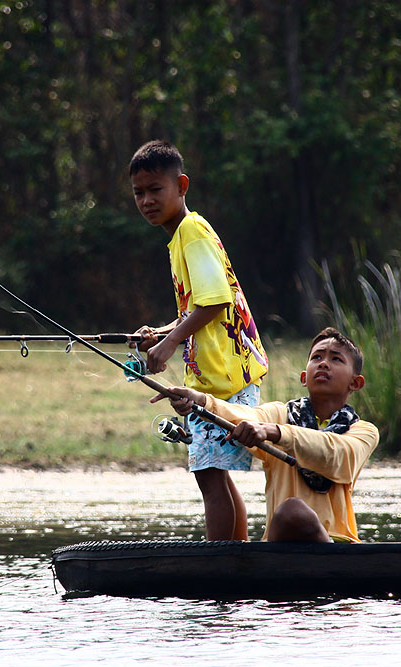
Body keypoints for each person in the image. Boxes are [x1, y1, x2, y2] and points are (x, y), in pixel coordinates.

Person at [129, 139, 269, 541]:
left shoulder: (191, 231)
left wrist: (170, 344)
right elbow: (201, 307)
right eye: (139, 192)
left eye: (156, 190)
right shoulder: (180, 237)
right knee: (215, 474)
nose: (147, 200)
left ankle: (222, 559)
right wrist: (160, 333)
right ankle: (235, 554)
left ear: (182, 185)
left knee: (208, 474)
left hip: (226, 380)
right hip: (222, 378)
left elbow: (216, 302)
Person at [153, 327, 379, 543]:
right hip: (278, 544)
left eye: (336, 359)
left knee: (293, 510)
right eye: (317, 357)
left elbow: (337, 455)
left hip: (338, 545)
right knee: (290, 512)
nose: (323, 364)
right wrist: (201, 400)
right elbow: (242, 415)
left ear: (356, 383)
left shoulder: (363, 431)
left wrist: (274, 432)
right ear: (303, 377)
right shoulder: (280, 414)